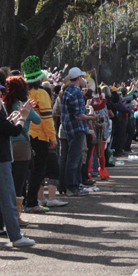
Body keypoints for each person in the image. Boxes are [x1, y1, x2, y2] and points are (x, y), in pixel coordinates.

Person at [0, 78, 36, 247]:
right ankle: (16, 236)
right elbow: (12, 131)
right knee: (8, 200)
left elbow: (3, 128)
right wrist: (23, 117)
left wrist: (12, 118)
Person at [21, 56, 63, 211]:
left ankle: (25, 202)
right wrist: (53, 138)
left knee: (24, 172)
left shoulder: (23, 93)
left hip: (24, 135)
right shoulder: (41, 94)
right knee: (37, 171)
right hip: (39, 137)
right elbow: (46, 118)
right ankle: (32, 203)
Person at [3, 76, 41, 223]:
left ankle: (4, 217)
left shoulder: (4, 105)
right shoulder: (23, 105)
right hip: (22, 145)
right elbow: (37, 120)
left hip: (7, 146)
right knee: (19, 183)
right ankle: (16, 216)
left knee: (7, 183)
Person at [61, 68, 97, 196]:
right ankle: (72, 186)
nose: (83, 80)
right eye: (81, 77)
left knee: (77, 157)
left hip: (70, 128)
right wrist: (92, 117)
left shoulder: (66, 91)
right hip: (76, 129)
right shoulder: (75, 93)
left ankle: (76, 184)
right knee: (74, 159)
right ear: (78, 78)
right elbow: (78, 115)